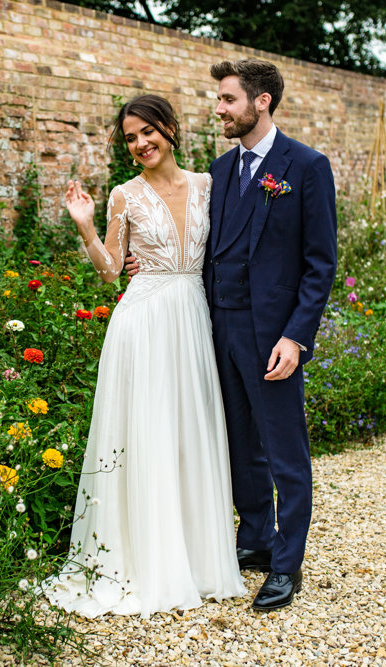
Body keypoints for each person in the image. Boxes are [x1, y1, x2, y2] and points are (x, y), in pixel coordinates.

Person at [128, 59, 337, 611]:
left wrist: (296, 337)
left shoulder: (306, 167)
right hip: (216, 330)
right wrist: (146, 264)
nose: (217, 109)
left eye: (227, 100)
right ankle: (257, 541)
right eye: (218, 100)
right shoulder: (218, 173)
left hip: (272, 338)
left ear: (261, 101)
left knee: (285, 451)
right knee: (239, 445)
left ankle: (287, 566)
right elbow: (191, 238)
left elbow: (320, 265)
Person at [43, 95, 246, 618]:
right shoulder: (123, 195)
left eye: (147, 132)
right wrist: (86, 227)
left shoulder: (209, 185)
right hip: (144, 321)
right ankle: (148, 561)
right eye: (130, 138)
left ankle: (198, 559)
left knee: (190, 433)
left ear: (171, 128)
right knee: (149, 434)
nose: (140, 144)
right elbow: (111, 271)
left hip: (194, 320)